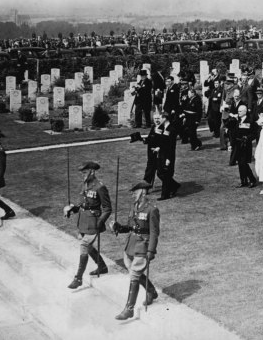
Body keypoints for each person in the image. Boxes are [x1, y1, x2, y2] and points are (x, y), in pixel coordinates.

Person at [109, 182, 160, 320]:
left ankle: (129, 309)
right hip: (131, 246)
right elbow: (131, 227)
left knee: (134, 275)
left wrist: (151, 251)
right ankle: (151, 291)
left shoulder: (151, 210)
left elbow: (154, 232)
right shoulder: (134, 207)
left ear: (143, 192)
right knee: (134, 272)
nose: (132, 195)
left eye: (135, 192)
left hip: (143, 247)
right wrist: (118, 227)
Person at [63, 162, 112, 289]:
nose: (82, 175)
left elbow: (107, 208)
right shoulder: (84, 185)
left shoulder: (100, 187)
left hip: (93, 222)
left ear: (92, 172)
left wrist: (99, 222)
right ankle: (102, 266)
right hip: (83, 220)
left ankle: (78, 278)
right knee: (89, 247)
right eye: (82, 173)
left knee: (84, 245)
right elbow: (82, 204)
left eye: (85, 173)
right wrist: (71, 209)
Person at [231, 105, 257, 188]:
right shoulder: (237, 120)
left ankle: (252, 180)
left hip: (245, 145)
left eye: (240, 111)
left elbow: (254, 133)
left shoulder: (250, 121)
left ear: (245, 112)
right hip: (238, 144)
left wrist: (247, 138)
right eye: (238, 111)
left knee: (244, 163)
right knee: (240, 163)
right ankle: (243, 181)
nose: (238, 113)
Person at [156, 113, 180, 200]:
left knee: (166, 175)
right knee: (160, 173)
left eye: (160, 118)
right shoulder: (162, 128)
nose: (159, 120)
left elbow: (171, 146)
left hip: (168, 155)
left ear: (165, 118)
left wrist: (168, 158)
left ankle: (165, 195)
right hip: (161, 153)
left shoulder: (172, 129)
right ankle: (174, 185)